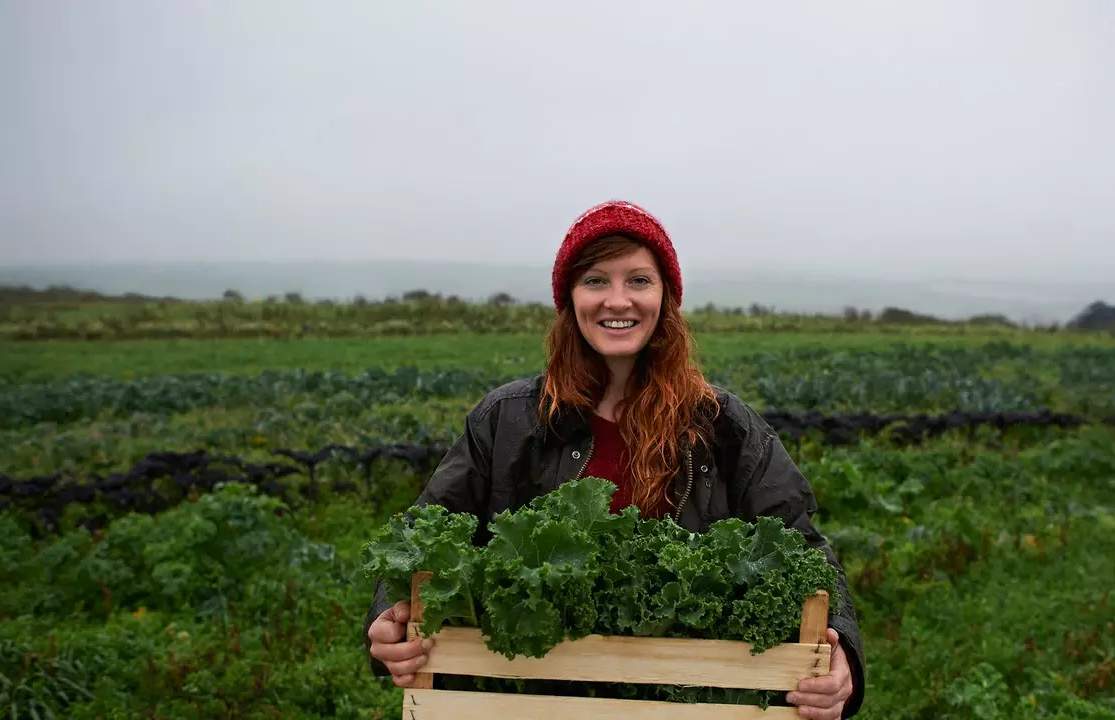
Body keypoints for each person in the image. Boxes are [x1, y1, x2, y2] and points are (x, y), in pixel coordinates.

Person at [364, 200, 866, 718]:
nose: (617, 300)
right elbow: (421, 537)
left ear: (665, 297)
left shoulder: (724, 426)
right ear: (570, 298)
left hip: (681, 703)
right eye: (596, 280)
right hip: (529, 700)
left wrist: (842, 654)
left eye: (640, 281)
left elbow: (804, 550)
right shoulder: (506, 420)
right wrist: (387, 619)